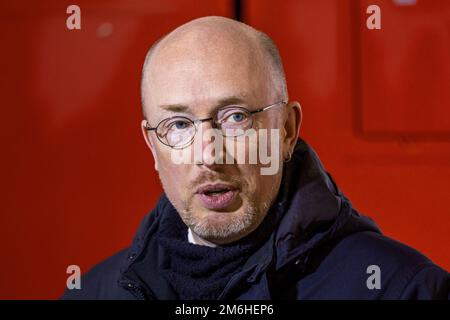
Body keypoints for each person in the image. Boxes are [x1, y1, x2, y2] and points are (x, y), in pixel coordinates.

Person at [62, 16, 449, 300]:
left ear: (286, 130)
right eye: (178, 125)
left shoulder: (403, 290)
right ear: (152, 147)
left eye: (235, 117)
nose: (209, 155)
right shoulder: (93, 293)